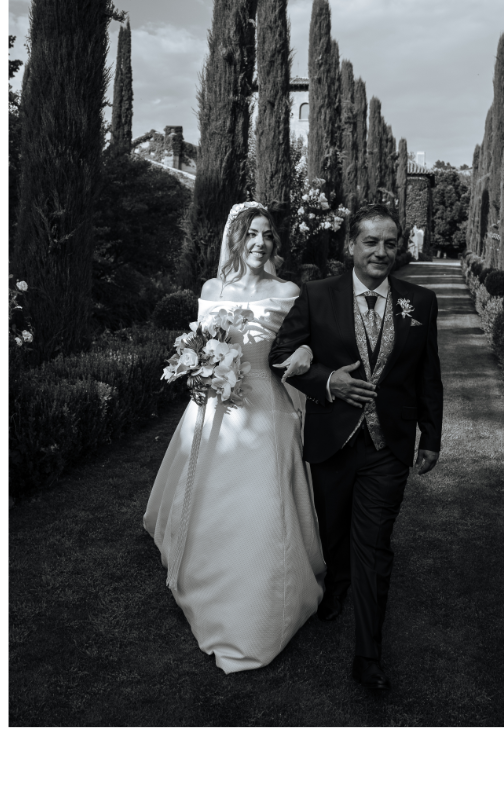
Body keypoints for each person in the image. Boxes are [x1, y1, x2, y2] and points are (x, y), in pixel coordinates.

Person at [141, 203, 324, 673]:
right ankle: (206, 568)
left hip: (265, 405)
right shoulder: (211, 288)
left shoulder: (287, 290)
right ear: (236, 240)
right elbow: (203, 338)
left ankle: (261, 594)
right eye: (252, 235)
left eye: (267, 235)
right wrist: (200, 364)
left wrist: (304, 348)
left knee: (262, 503)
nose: (261, 243)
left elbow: (309, 338)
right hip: (212, 406)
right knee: (209, 496)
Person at [268, 203, 443, 693]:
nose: (381, 252)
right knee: (334, 528)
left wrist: (430, 436)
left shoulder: (420, 302)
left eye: (390, 242)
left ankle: (367, 654)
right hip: (332, 440)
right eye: (371, 241)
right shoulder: (316, 295)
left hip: (389, 447)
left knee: (375, 546)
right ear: (351, 246)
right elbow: (280, 354)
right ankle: (335, 583)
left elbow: (429, 374)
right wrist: (329, 383)